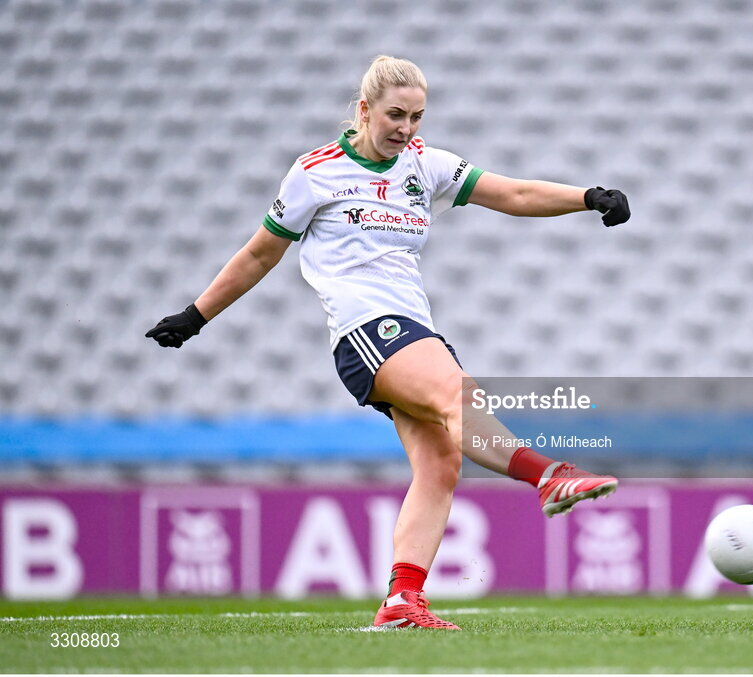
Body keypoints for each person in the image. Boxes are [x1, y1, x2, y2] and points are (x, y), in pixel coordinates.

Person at [146, 55, 631, 630]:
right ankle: (549, 476)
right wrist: (196, 315)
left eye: (417, 116)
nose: (406, 128)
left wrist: (587, 196)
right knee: (461, 399)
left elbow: (516, 193)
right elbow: (260, 252)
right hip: (365, 330)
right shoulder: (315, 172)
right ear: (364, 109)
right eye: (395, 115)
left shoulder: (424, 164)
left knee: (440, 464)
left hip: (412, 327)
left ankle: (402, 601)